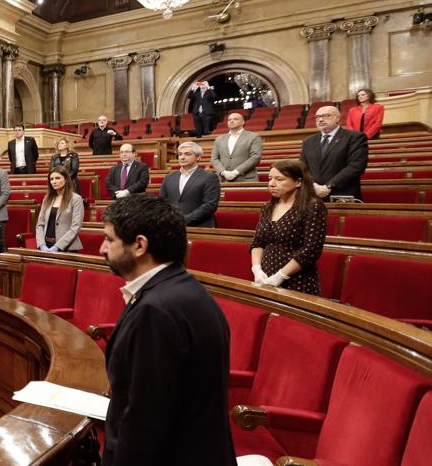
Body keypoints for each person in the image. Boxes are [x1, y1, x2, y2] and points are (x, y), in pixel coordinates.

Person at [100, 194, 236, 466]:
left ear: (139, 245)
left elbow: (145, 422)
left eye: (109, 239)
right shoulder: (181, 289)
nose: (102, 249)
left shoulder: (157, 311)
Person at [250, 160, 327, 295]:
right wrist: (256, 269)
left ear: (298, 182)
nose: (271, 183)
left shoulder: (313, 206)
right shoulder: (268, 206)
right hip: (266, 277)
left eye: (279, 179)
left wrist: (281, 275)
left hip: (298, 280)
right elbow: (258, 242)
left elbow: (311, 250)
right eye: (270, 178)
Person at [300, 105, 369, 200]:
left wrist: (328, 186)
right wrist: (313, 186)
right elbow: (302, 167)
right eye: (318, 117)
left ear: (337, 118)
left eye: (326, 116)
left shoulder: (354, 137)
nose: (320, 120)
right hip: (313, 195)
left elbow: (356, 166)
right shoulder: (309, 141)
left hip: (342, 195)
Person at [159, 141, 221, 227]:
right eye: (180, 154)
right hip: (173, 226)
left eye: (187, 154)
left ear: (198, 157)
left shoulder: (209, 177)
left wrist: (184, 220)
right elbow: (162, 202)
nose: (182, 157)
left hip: (200, 226)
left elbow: (209, 205)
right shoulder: (169, 177)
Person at [35, 169, 85, 252]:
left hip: (67, 248)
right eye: (51, 179)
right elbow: (40, 224)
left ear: (65, 179)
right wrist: (42, 245)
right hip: (46, 247)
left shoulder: (76, 199)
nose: (54, 181)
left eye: (58, 178)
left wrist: (57, 246)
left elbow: (75, 227)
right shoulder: (47, 199)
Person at [211, 112, 263, 182]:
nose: (231, 121)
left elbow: (255, 157)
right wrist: (223, 172)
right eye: (229, 120)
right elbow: (214, 158)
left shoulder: (253, 137)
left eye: (235, 119)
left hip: (245, 179)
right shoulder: (219, 139)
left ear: (243, 122)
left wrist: (236, 172)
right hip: (223, 179)